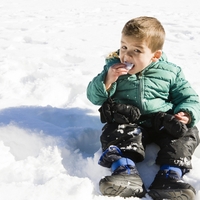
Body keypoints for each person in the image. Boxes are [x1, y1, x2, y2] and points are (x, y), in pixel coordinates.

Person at [86, 16, 200, 199]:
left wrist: (186, 114)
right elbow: (94, 96)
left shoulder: (170, 72)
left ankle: (170, 176)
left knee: (187, 132)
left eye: (136, 50)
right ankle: (125, 171)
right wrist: (108, 79)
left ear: (155, 56)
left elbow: (189, 97)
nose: (127, 55)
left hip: (162, 121)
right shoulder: (113, 69)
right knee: (115, 130)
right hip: (129, 121)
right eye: (124, 47)